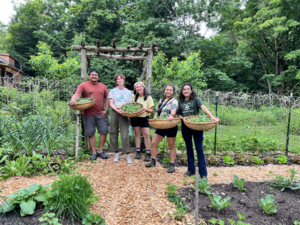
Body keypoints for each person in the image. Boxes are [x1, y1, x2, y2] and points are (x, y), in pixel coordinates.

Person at [177, 83, 219, 178]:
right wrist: (182, 118)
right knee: (189, 148)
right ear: (182, 91)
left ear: (191, 90)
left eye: (188, 89)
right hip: (185, 127)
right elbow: (179, 114)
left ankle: (203, 173)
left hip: (197, 127)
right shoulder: (180, 102)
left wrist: (212, 116)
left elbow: (203, 107)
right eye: (184, 89)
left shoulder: (196, 99)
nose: (186, 91)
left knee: (199, 149)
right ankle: (191, 170)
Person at [70, 69, 109, 160]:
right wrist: (73, 100)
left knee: (104, 131)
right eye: (92, 74)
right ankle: (94, 152)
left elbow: (108, 99)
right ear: (89, 76)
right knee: (90, 132)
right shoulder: (83, 85)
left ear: (98, 76)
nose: (94, 76)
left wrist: (106, 110)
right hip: (87, 114)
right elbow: (76, 94)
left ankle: (100, 151)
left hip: (101, 114)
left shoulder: (103, 86)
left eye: (95, 75)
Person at [145, 84, 178, 173]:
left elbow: (174, 109)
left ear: (173, 92)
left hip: (171, 125)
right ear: (165, 91)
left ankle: (172, 165)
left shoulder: (174, 100)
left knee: (171, 145)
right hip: (161, 125)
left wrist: (171, 115)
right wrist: (155, 117)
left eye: (170, 90)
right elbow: (157, 111)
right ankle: (153, 161)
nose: (168, 91)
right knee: (153, 143)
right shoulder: (161, 100)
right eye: (167, 89)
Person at [108, 74, 133, 164]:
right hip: (115, 112)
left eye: (121, 78)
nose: (120, 80)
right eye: (118, 79)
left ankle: (127, 154)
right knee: (113, 132)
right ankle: (116, 153)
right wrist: (117, 110)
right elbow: (111, 104)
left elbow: (130, 104)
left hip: (124, 113)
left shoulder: (128, 92)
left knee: (124, 134)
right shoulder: (112, 91)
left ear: (124, 80)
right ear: (116, 81)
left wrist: (128, 114)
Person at [131, 81, 154, 160]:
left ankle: (148, 152)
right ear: (135, 89)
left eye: (140, 86)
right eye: (137, 87)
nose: (139, 88)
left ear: (143, 87)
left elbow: (151, 110)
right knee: (137, 134)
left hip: (144, 118)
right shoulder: (133, 96)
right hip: (135, 117)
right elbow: (130, 106)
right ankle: (138, 151)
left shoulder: (148, 97)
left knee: (146, 135)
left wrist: (145, 109)